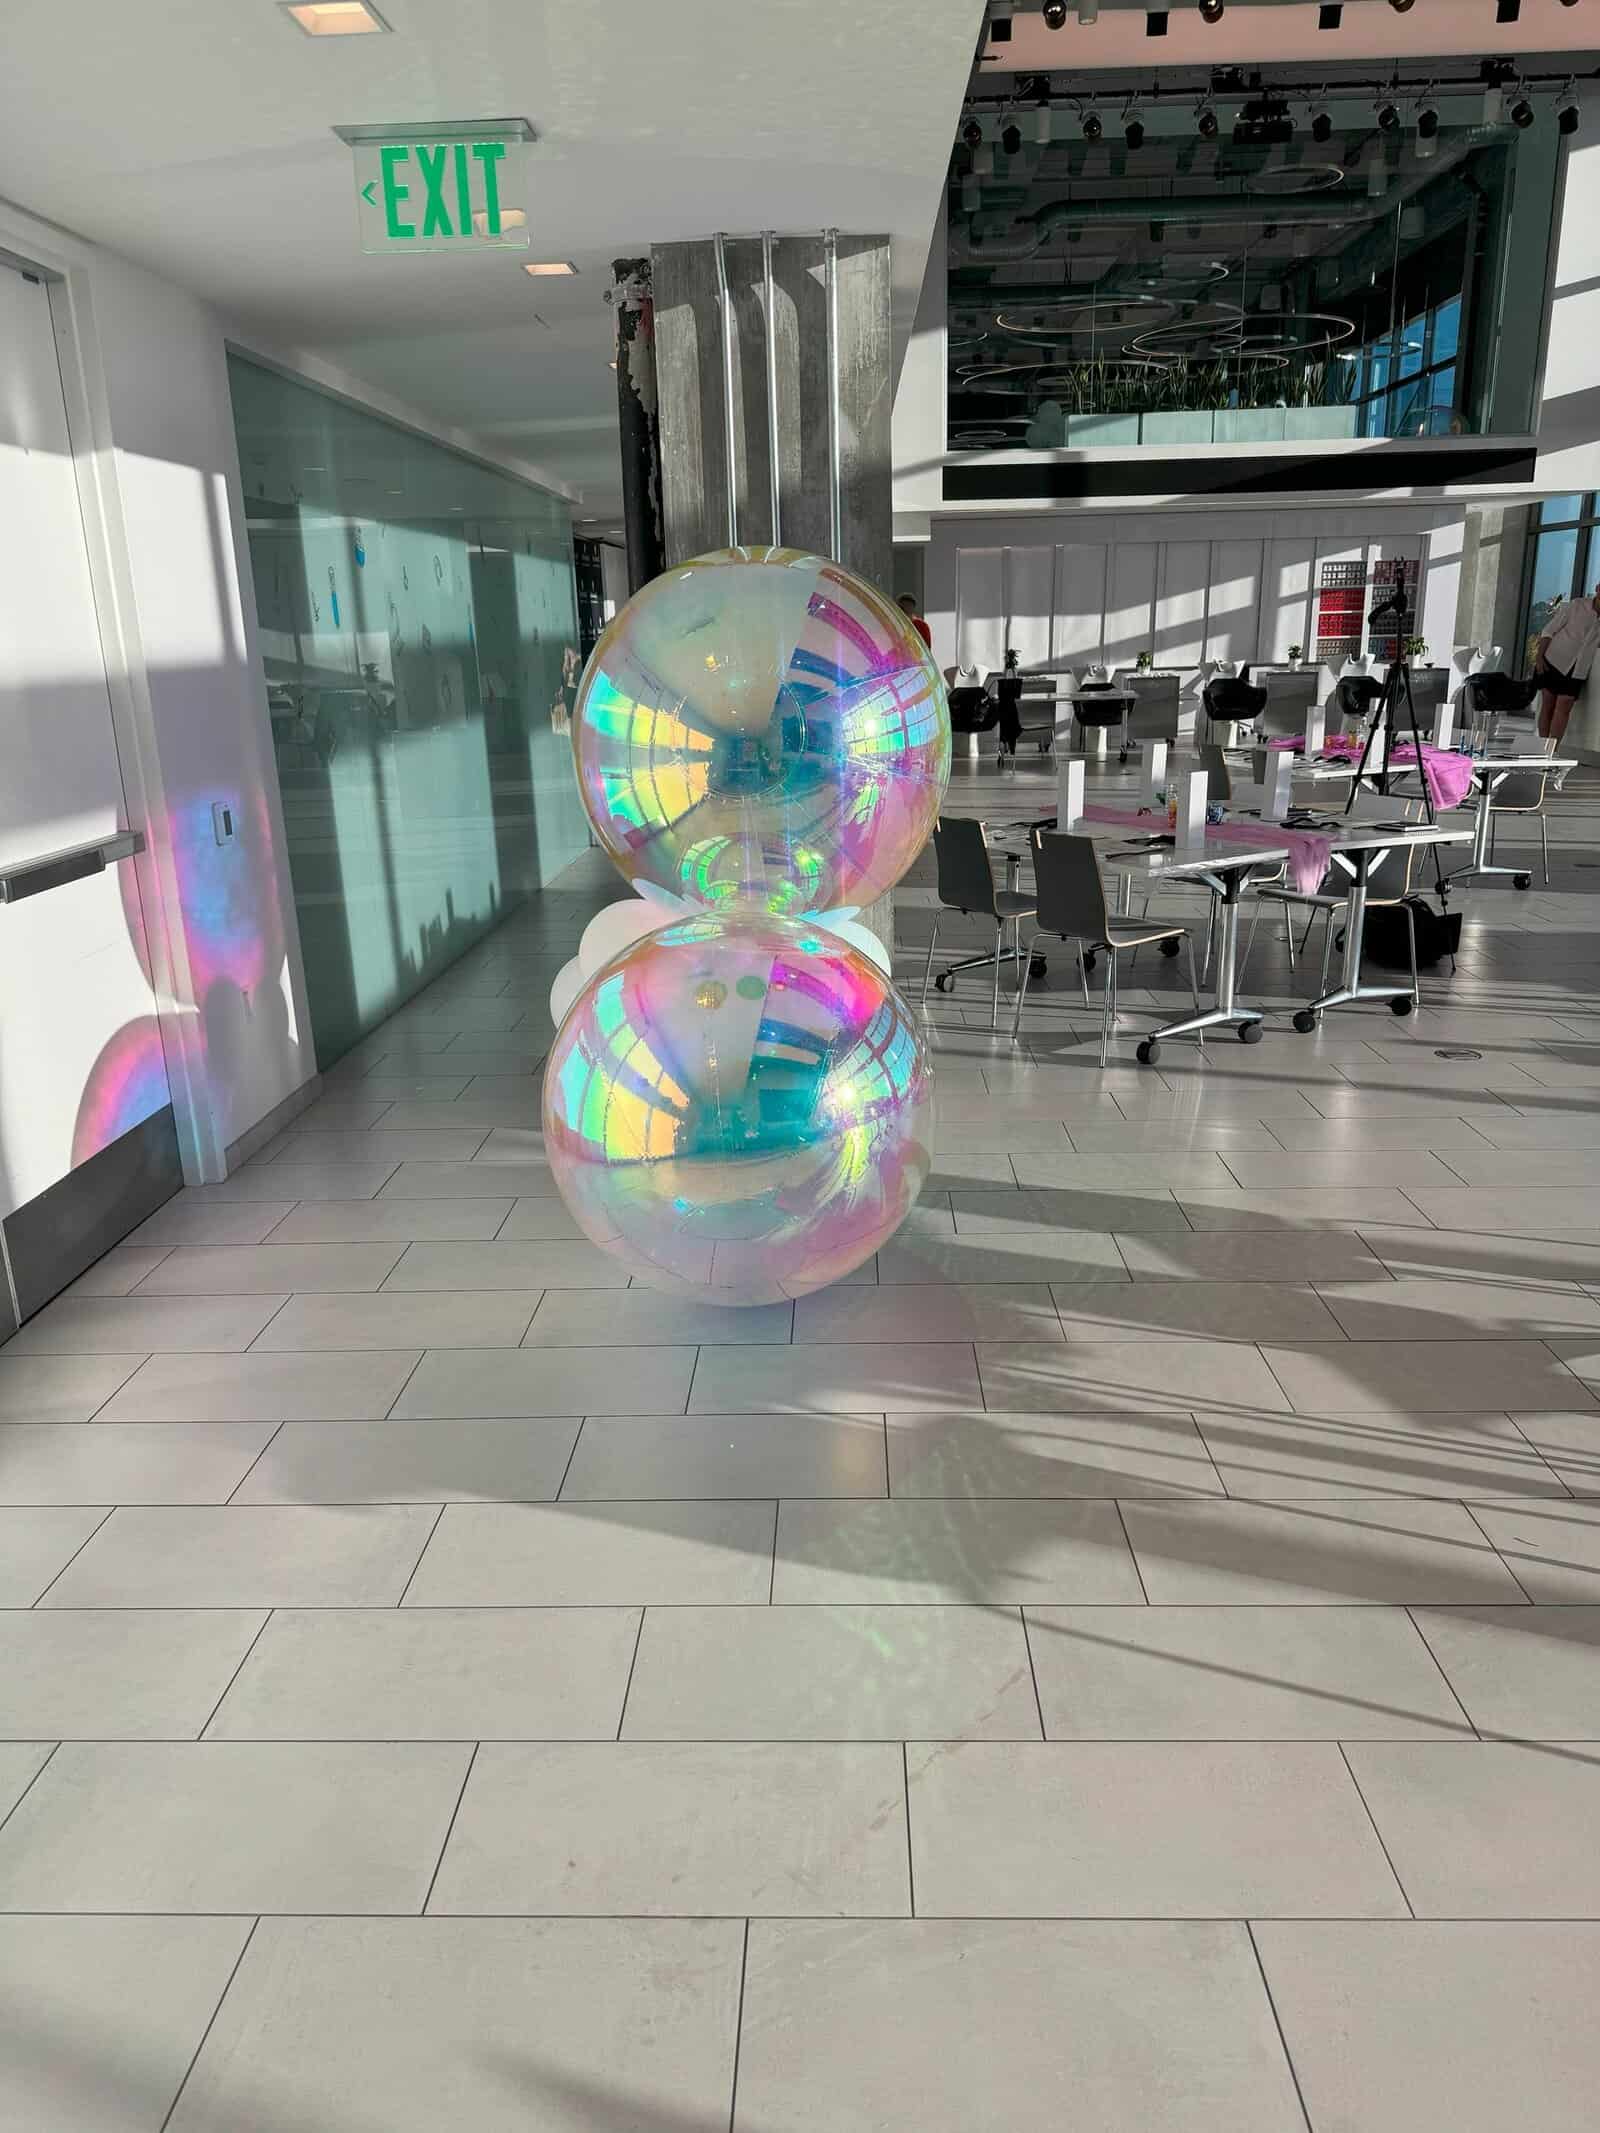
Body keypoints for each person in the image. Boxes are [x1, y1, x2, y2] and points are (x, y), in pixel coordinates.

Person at [1532, 582, 1600, 747]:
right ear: (1598, 589)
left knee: (1564, 706)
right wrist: (1539, 658)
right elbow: (1549, 630)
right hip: (1553, 660)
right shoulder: (1577, 605)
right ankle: (1542, 748)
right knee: (1548, 705)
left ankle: (1553, 750)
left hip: (1579, 669)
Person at [993, 648, 1024, 761]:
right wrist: (1014, 673)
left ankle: (1003, 744)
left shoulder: (1002, 684)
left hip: (1004, 709)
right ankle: (1009, 746)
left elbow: (1005, 680)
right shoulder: (1015, 684)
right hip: (1011, 712)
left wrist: (1008, 670)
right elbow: (1017, 692)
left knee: (1005, 724)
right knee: (1012, 721)